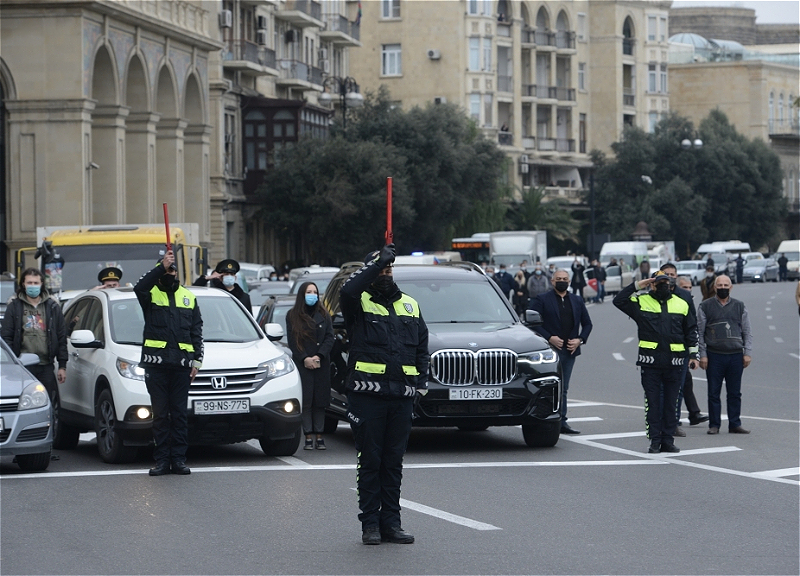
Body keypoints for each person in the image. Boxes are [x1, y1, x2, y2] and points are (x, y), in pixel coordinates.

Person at [340, 244, 429, 545]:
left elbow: (421, 349)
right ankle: (370, 525)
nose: (386, 273)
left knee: (393, 462)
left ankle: (391, 523)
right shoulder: (359, 302)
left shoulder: (410, 305)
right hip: (367, 397)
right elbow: (348, 290)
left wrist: (420, 384)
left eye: (390, 269)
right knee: (371, 461)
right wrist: (376, 262)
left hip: (401, 397)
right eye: (382, 269)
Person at [134, 250, 203, 476]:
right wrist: (161, 267)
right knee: (161, 415)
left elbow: (196, 331)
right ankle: (162, 460)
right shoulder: (150, 294)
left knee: (180, 415)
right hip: (156, 365)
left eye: (173, 270)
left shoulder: (188, 297)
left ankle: (179, 460)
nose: (170, 273)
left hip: (181, 366)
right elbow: (139, 287)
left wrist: (197, 362)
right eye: (167, 270)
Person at [613, 271, 698, 454]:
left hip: (675, 362)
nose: (663, 285)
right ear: (652, 284)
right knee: (653, 403)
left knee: (671, 404)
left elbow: (691, 330)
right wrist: (638, 285)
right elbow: (618, 300)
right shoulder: (641, 302)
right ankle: (654, 440)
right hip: (650, 362)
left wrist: (693, 356)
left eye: (666, 282)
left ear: (671, 284)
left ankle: (668, 440)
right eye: (659, 282)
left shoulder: (681, 303)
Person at [528, 269, 592, 435]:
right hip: (550, 351)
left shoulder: (577, 300)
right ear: (552, 281)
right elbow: (533, 322)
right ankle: (546, 419)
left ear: (569, 281)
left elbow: (587, 324)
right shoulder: (542, 299)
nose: (562, 281)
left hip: (570, 351)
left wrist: (580, 340)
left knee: (563, 388)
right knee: (549, 386)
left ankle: (562, 422)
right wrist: (549, 338)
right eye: (558, 279)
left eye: (564, 279)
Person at [1, 268, 68, 403]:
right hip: (22, 366)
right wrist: (13, 361)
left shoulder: (52, 307)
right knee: (24, 403)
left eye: (36, 283)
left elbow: (61, 336)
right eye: (29, 283)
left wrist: (62, 365)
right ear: (23, 284)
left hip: (46, 365)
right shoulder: (14, 307)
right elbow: (6, 336)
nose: (33, 286)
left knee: (47, 402)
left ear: (42, 284)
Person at [697, 275, 752, 435]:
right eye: (719, 285)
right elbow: (699, 332)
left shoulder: (740, 306)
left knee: (735, 392)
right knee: (713, 392)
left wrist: (747, 353)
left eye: (725, 285)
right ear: (714, 287)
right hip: (714, 355)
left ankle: (735, 423)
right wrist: (703, 354)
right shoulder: (705, 306)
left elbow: (747, 331)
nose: (722, 287)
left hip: (735, 355)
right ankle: (714, 425)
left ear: (731, 287)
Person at [285, 281, 334, 451]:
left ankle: (319, 436)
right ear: (302, 295)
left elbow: (330, 337)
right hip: (303, 364)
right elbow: (293, 341)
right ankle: (307, 435)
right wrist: (305, 358)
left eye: (314, 292)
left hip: (321, 363)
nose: (312, 295)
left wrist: (319, 356)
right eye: (308, 292)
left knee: (319, 401)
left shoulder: (324, 314)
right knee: (306, 400)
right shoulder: (292, 315)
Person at [663, 268, 709, 433]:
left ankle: (675, 422)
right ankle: (667, 419)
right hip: (660, 351)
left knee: (680, 387)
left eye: (672, 275)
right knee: (666, 388)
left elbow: (691, 326)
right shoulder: (652, 296)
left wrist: (693, 354)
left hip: (680, 350)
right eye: (665, 275)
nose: (669, 278)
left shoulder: (684, 298)